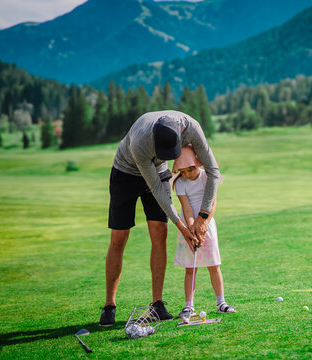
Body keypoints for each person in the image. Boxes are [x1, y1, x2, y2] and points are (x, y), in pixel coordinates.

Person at [100, 111, 221, 327]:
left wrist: (203, 217)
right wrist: (183, 226)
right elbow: (156, 188)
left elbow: (213, 171)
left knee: (159, 232)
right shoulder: (140, 142)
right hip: (125, 173)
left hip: (158, 170)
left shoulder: (192, 127)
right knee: (119, 237)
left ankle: (157, 303)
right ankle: (110, 305)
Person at [172, 145, 236, 319]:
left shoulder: (208, 177)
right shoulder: (180, 183)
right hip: (188, 228)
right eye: (183, 171)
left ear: (197, 163)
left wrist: (204, 223)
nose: (187, 175)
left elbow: (212, 204)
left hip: (207, 225)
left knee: (214, 265)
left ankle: (221, 302)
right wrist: (192, 228)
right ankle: (188, 306)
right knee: (190, 268)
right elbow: (186, 208)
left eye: (190, 170)